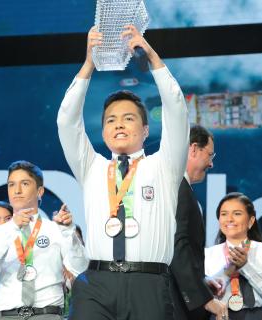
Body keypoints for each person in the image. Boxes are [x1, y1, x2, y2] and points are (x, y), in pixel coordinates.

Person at [57, 25, 189, 320]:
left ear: (145, 130)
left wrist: (154, 60)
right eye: (111, 120)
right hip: (97, 284)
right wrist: (89, 65)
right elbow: (67, 122)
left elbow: (177, 111)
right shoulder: (92, 167)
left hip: (149, 283)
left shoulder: (164, 165)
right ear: (103, 132)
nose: (119, 125)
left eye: (128, 118)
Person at [0, 160, 88, 320]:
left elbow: (81, 269)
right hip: (6, 316)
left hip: (47, 315)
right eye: (11, 185)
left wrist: (69, 233)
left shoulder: (56, 229)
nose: (17, 190)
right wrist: (12, 227)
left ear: (40, 191)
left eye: (25, 183)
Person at [170, 125, 228, 320]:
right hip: (176, 306)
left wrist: (202, 282)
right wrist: (203, 298)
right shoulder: (178, 188)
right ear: (193, 149)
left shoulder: (178, 187)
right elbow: (178, 247)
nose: (211, 164)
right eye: (210, 155)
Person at [205, 192, 262, 320]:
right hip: (220, 315)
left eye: (237, 214)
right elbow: (201, 295)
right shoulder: (208, 255)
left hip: (256, 316)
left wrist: (246, 266)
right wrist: (226, 273)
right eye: (224, 214)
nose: (229, 219)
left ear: (251, 221)